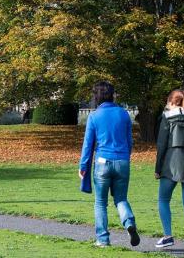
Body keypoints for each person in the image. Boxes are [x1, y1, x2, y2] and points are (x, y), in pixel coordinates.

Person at [79, 81, 140, 247]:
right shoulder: (124, 114)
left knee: (100, 203)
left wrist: (83, 166)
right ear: (112, 95)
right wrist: (125, 157)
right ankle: (128, 223)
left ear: (96, 96)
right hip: (122, 161)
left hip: (102, 162)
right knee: (121, 199)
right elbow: (129, 141)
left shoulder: (94, 116)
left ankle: (103, 239)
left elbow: (88, 144)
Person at [154, 90, 184, 254]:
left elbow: (161, 144)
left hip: (170, 162)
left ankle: (168, 235)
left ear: (172, 102)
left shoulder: (167, 117)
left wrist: (157, 168)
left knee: (163, 199)